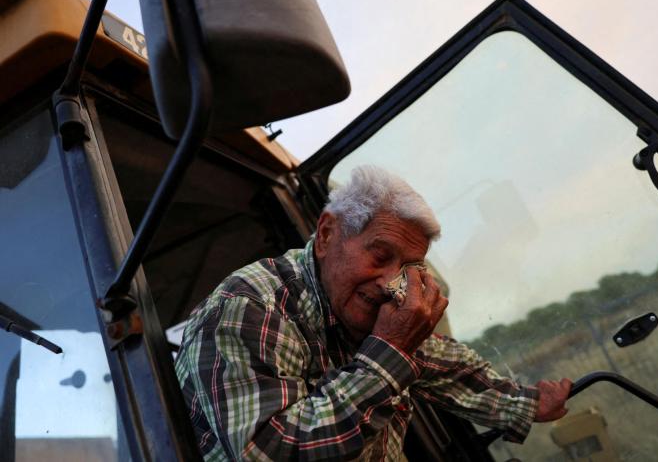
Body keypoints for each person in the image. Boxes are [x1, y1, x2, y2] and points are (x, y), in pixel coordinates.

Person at [175, 165, 572, 461]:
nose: (390, 283)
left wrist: (526, 404)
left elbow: (441, 363)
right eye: (380, 256)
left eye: (408, 268)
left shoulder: (360, 307)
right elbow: (270, 451)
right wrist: (388, 354)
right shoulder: (249, 307)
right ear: (327, 234)